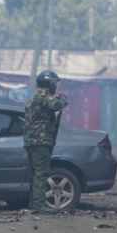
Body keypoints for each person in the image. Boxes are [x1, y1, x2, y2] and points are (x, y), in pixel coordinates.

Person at [24, 70, 68, 213]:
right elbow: (55, 105)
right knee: (41, 173)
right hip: (40, 140)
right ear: (48, 83)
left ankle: (33, 203)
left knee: (35, 173)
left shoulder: (35, 97)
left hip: (33, 140)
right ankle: (39, 205)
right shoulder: (42, 95)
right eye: (54, 83)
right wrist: (63, 100)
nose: (56, 86)